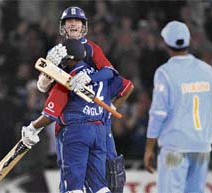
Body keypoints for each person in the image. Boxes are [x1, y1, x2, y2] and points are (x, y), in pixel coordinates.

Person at [37, 6, 133, 192]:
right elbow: (42, 87)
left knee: (111, 170)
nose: (73, 24)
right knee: (93, 182)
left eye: (77, 21)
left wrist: (91, 79)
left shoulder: (92, 48)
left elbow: (110, 72)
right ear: (63, 27)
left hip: (96, 121)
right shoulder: (56, 51)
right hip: (72, 120)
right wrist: (49, 71)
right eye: (69, 21)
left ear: (83, 27)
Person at [144, 21, 212, 193]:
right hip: (201, 145)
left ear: (166, 44)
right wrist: (208, 133)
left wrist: (149, 148)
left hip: (175, 147)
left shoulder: (164, 72)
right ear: (188, 41)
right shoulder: (207, 70)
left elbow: (158, 113)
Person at [22, 39, 112, 193]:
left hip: (76, 133)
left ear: (69, 59)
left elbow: (51, 114)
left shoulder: (68, 79)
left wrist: (32, 127)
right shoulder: (97, 75)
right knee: (100, 188)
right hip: (100, 132)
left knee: (73, 188)